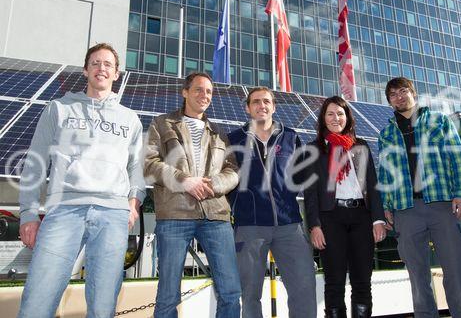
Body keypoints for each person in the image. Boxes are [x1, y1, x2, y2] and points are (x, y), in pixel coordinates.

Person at [17, 43, 146, 318]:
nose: (102, 68)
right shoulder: (59, 109)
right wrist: (28, 213)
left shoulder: (130, 120)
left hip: (113, 216)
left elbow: (137, 169)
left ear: (117, 74)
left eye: (108, 64)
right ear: (86, 70)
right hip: (64, 210)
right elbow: (35, 161)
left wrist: (133, 205)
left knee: (102, 307)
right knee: (38, 300)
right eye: (96, 63)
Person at [144, 72, 241, 318]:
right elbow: (149, 165)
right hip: (175, 215)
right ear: (185, 92)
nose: (204, 95)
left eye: (208, 91)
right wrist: (184, 181)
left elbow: (232, 171)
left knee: (230, 291)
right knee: (168, 294)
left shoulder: (219, 133)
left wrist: (215, 183)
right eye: (198, 89)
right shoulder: (162, 123)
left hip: (216, 216)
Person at [378, 77, 461, 318]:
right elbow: (385, 173)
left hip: (441, 205)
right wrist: (386, 206)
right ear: (389, 101)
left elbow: (458, 158)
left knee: (455, 270)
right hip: (405, 210)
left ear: (413, 93)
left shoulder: (439, 121)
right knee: (417, 276)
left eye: (403, 91)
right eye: (393, 94)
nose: (399, 97)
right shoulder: (386, 134)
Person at [228, 86, 317, 318]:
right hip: (250, 226)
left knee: (304, 287)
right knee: (249, 294)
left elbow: (304, 179)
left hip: (289, 225)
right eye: (256, 102)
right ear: (247, 108)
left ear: (274, 107)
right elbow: (226, 182)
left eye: (266, 101)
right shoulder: (233, 139)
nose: (262, 106)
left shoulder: (291, 136)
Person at [304, 96, 385, 318]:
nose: (335, 118)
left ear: (347, 117)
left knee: (362, 282)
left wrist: (378, 219)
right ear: (323, 118)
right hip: (331, 219)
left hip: (362, 217)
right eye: (330, 114)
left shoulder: (361, 146)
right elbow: (310, 193)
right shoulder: (313, 149)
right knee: (334, 283)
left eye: (340, 113)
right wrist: (314, 226)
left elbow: (372, 183)